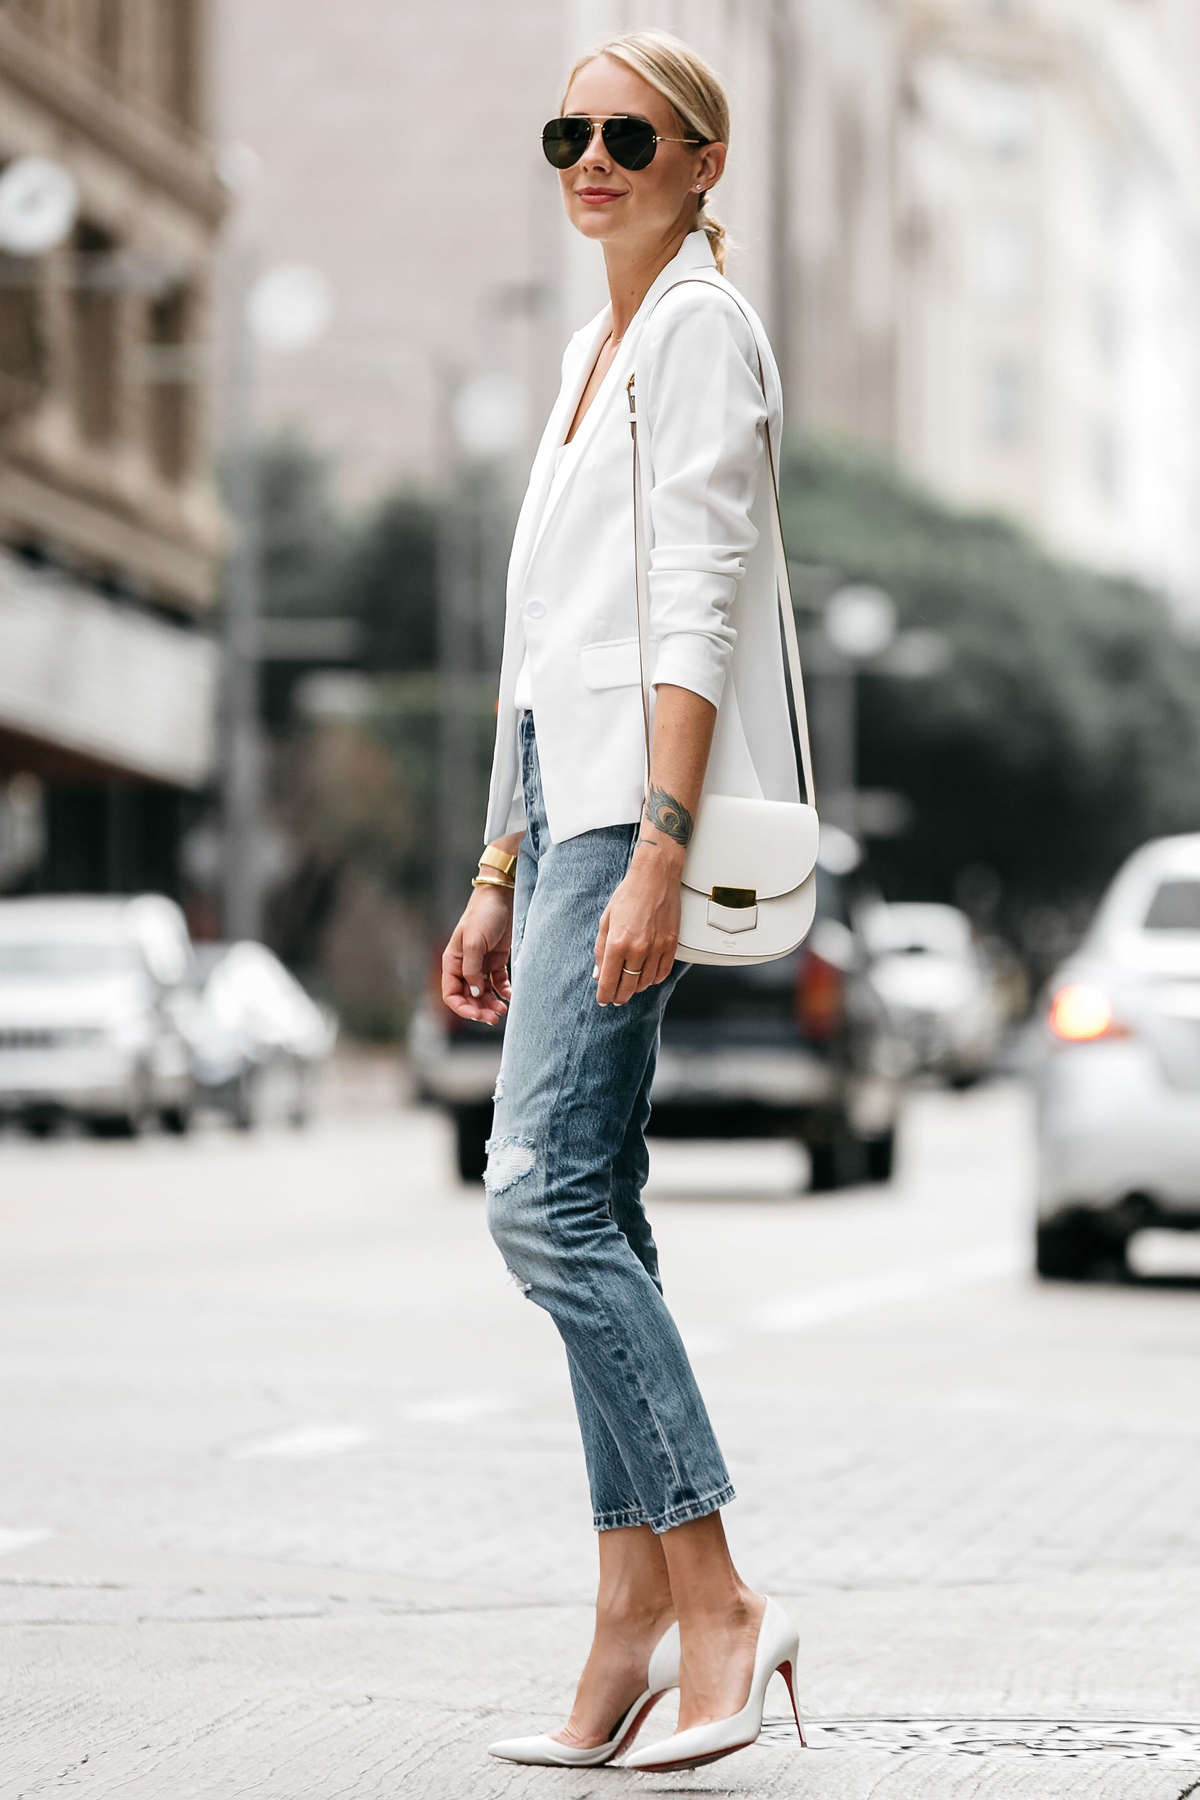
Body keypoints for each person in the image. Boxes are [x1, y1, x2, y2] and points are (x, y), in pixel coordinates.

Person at [441, 28, 806, 1774]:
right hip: (563, 817)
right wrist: (499, 864)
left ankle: (715, 1595)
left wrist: (653, 840)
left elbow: (699, 604)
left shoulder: (699, 335)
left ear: (698, 163)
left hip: (629, 817)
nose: (591, 156)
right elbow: (539, 651)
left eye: (628, 134)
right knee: (592, 1200)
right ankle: (626, 1611)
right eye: (569, 131)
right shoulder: (592, 344)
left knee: (539, 1206)